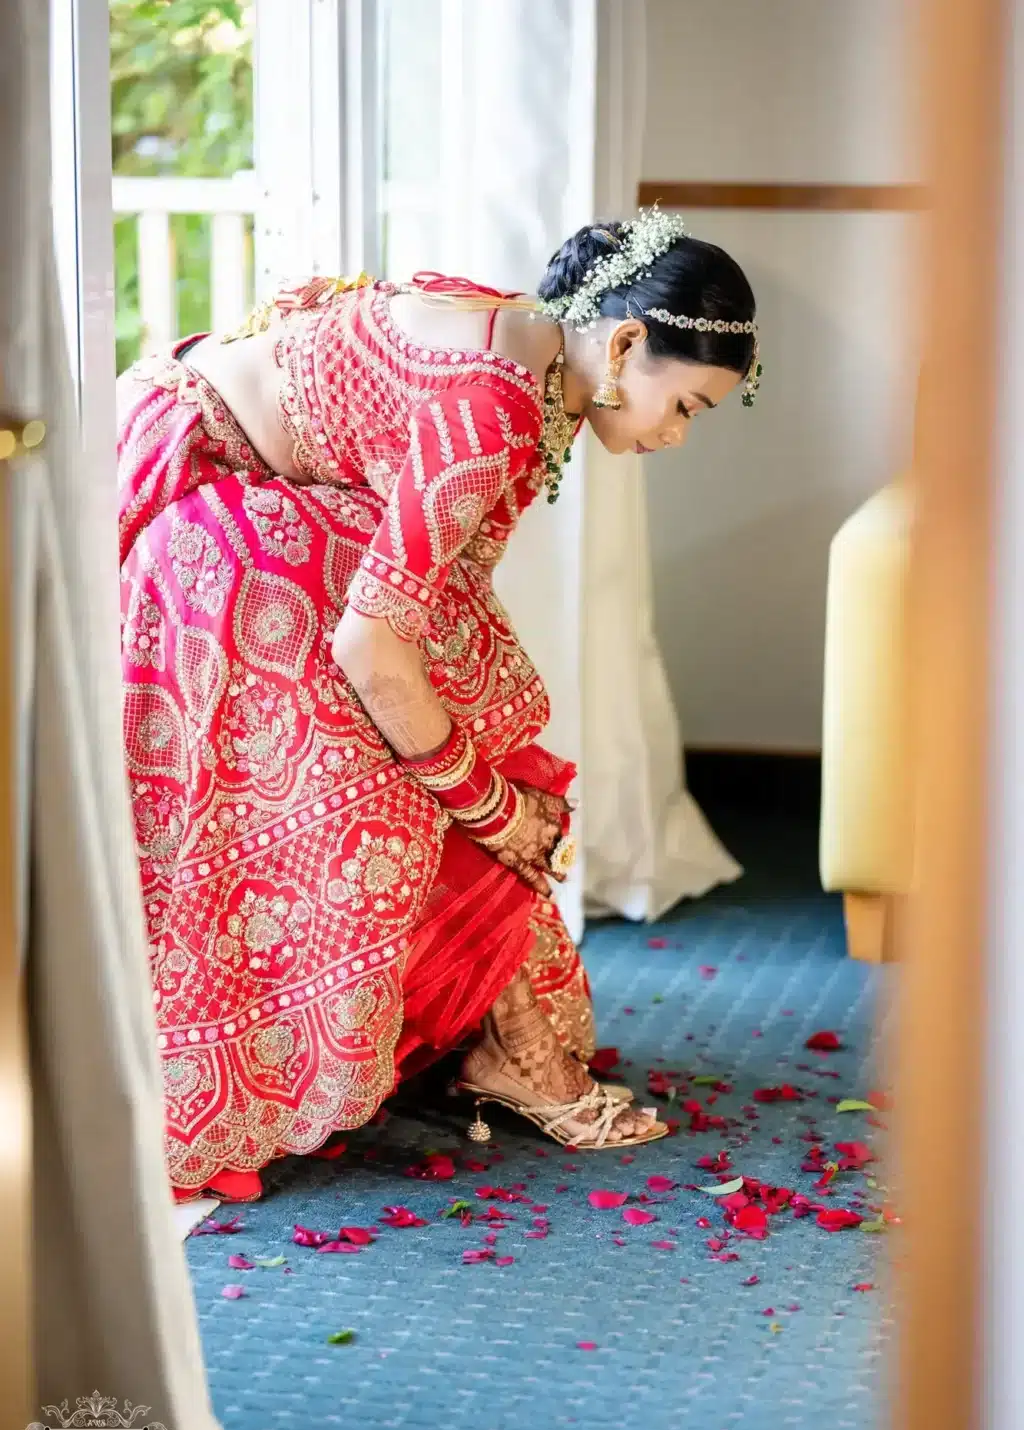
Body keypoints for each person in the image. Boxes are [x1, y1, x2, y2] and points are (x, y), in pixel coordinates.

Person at [117, 208, 759, 1201]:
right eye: (688, 407)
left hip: (263, 497)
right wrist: (494, 809)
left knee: (455, 706)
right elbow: (371, 647)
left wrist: (476, 776)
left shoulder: (537, 350)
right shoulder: (499, 404)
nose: (676, 436)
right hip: (198, 495)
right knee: (402, 745)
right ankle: (498, 1047)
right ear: (628, 343)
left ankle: (499, 1037)